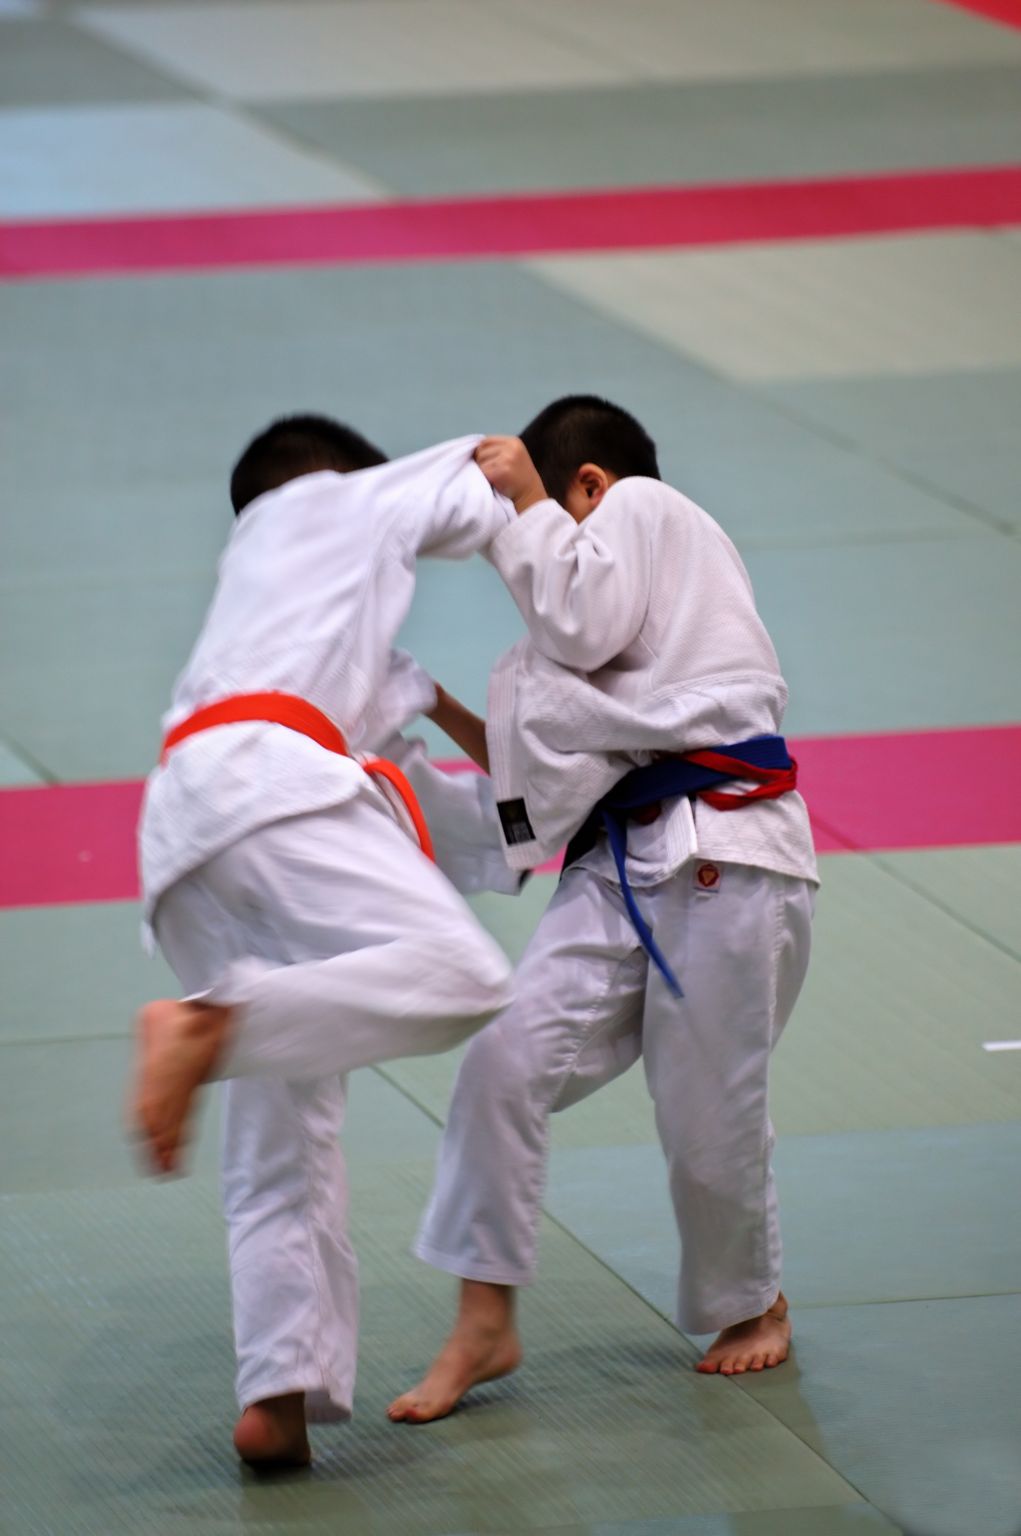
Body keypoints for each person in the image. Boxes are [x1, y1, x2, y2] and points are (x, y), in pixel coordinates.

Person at [388, 397, 819, 1425]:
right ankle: (483, 1318)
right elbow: (550, 763)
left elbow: (578, 622)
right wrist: (431, 702)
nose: (531, 548)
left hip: (725, 851)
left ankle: (751, 1302)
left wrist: (524, 496)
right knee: (502, 1061)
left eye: (545, 510)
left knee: (705, 1103)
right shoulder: (606, 613)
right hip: (621, 863)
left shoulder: (645, 511)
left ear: (586, 485)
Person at [132, 414, 517, 1468]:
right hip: (275, 786)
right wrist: (552, 506)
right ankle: (209, 1031)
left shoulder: (290, 640)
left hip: (185, 828)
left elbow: (439, 807)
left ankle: (278, 1393)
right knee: (465, 976)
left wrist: (555, 808)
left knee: (281, 1139)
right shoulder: (342, 496)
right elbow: (481, 476)